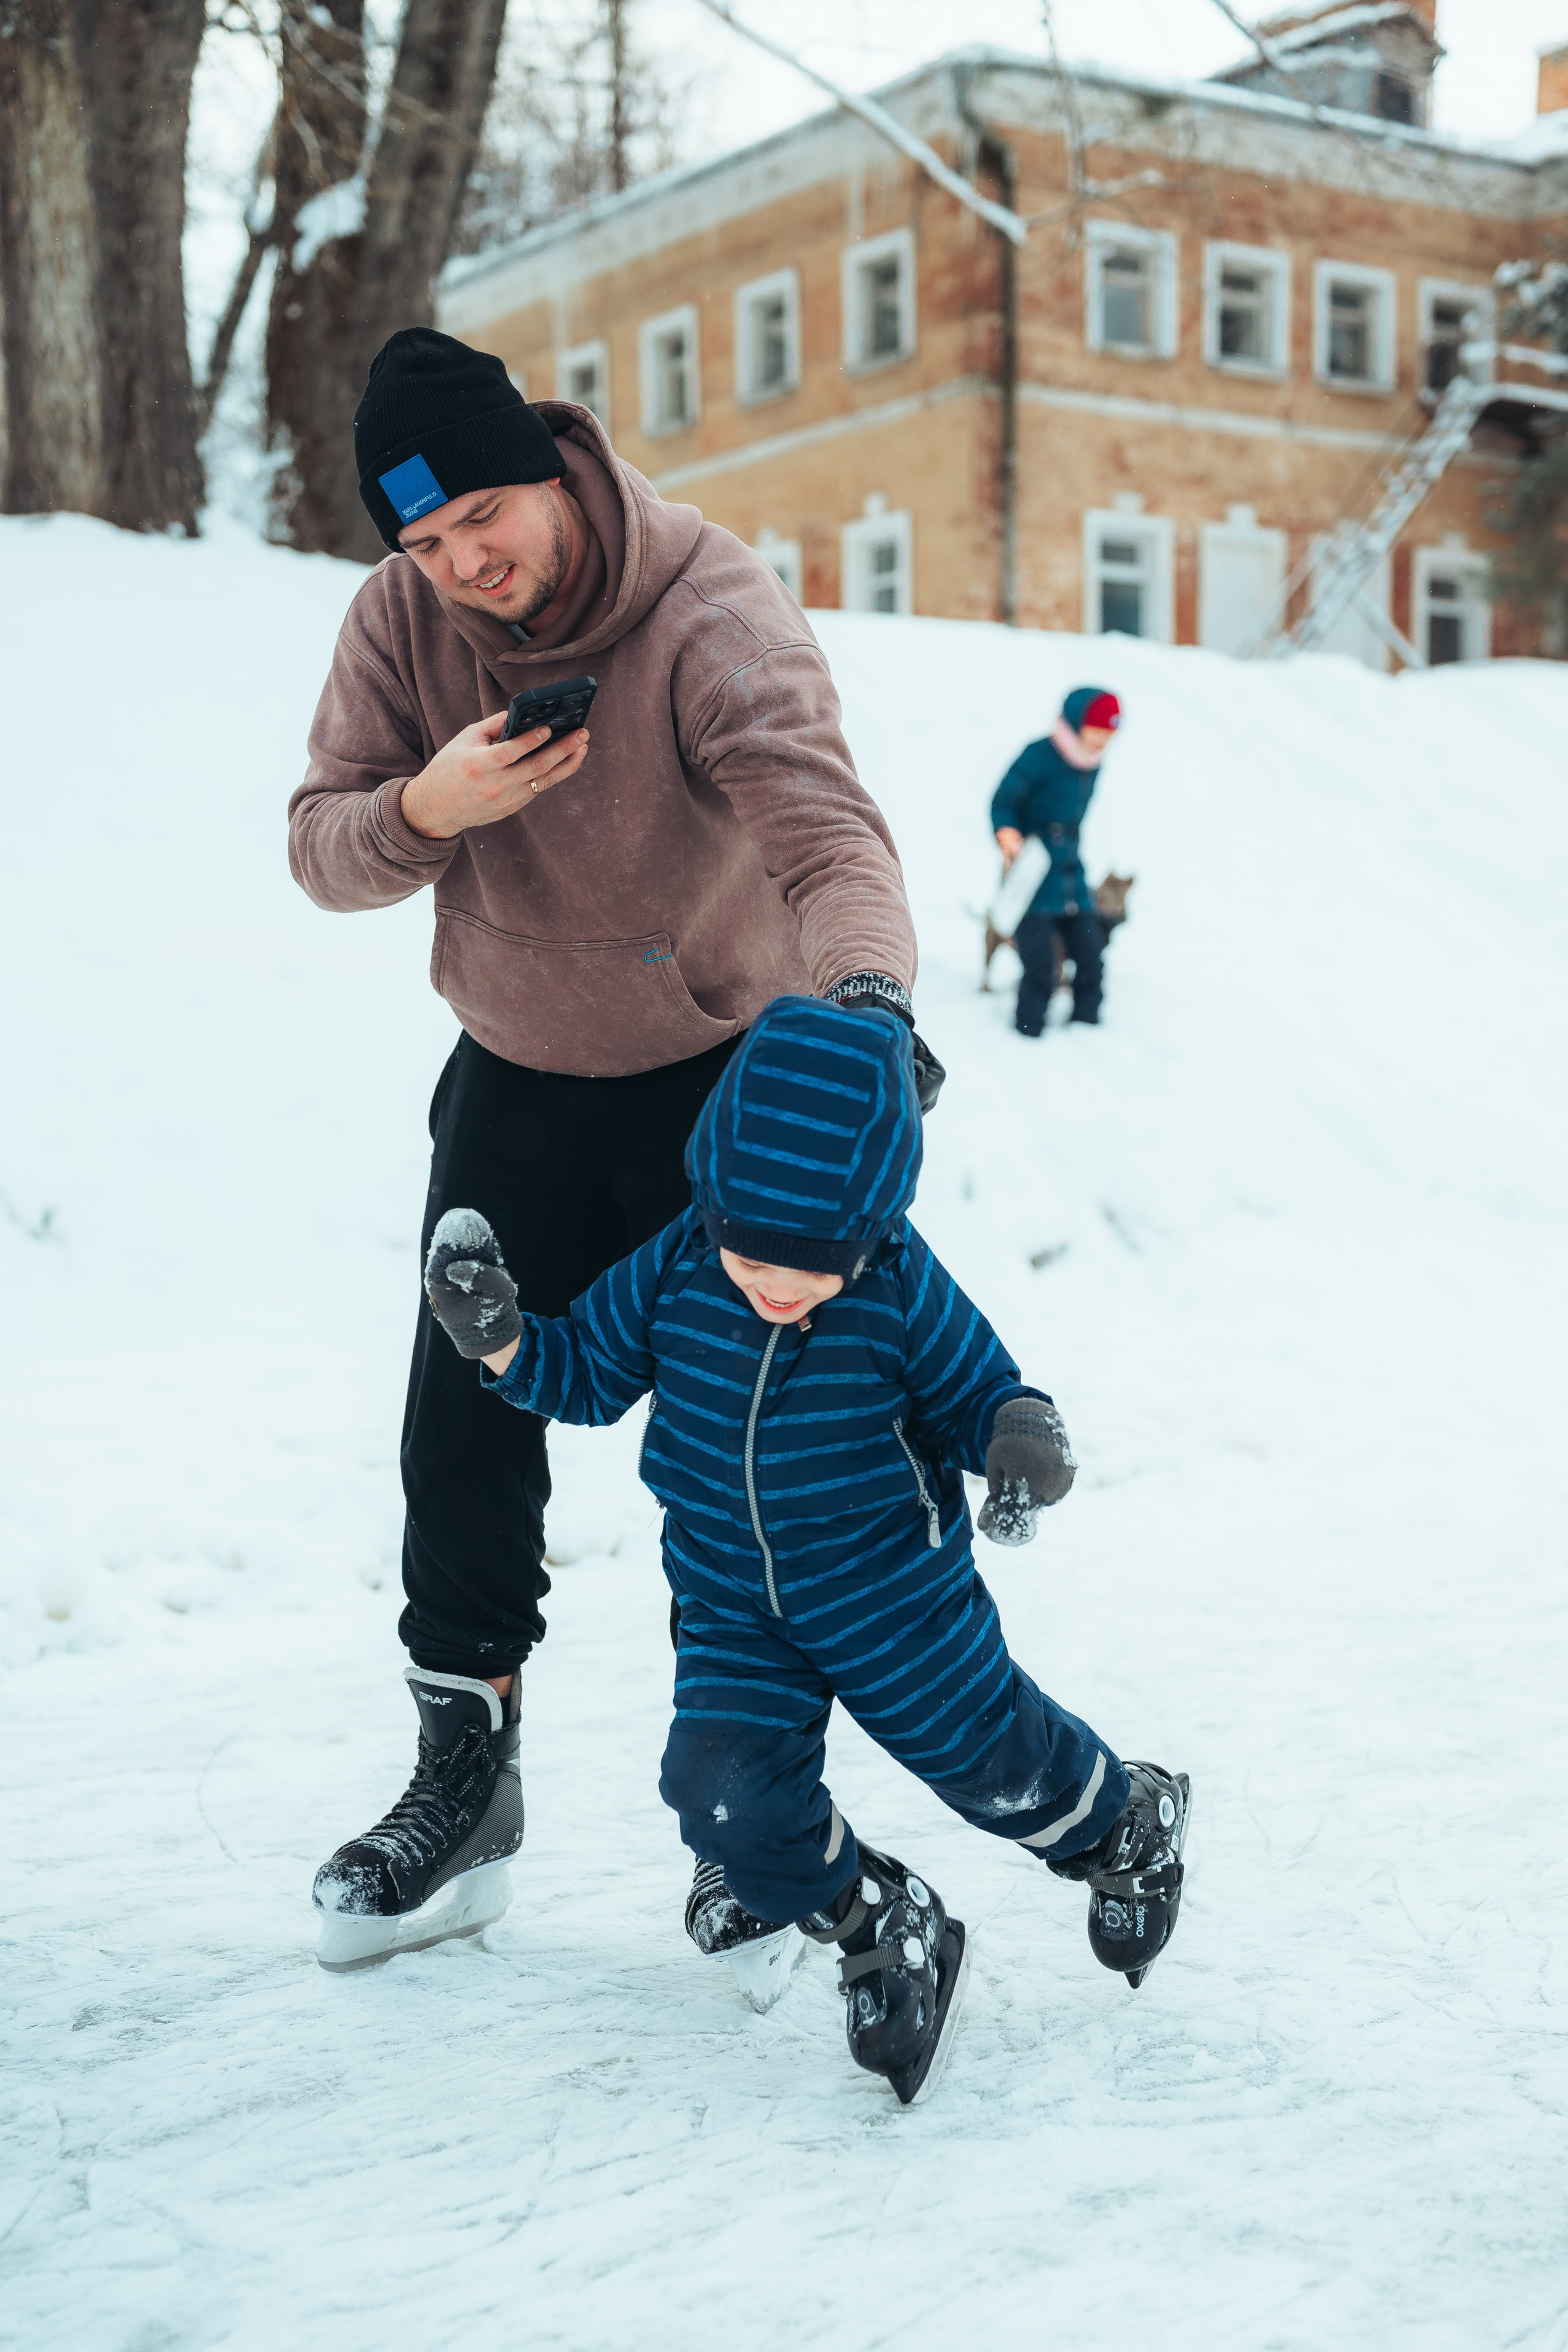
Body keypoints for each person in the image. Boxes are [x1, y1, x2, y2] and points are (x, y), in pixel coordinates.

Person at [290, 326, 941, 1973]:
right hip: (515, 1076)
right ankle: (467, 1791)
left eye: (481, 519)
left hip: (723, 1082)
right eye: (423, 540)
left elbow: (829, 844)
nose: (461, 563)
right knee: (462, 1435)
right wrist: (427, 812)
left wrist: (868, 1011)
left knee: (741, 1468)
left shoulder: (710, 610)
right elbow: (321, 846)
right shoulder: (399, 624)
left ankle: (752, 1817)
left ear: (549, 469)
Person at [404, 996, 1191, 2107]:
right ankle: (880, 1924)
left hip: (892, 1597)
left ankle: (1124, 1826)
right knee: (722, 1795)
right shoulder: (681, 1259)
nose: (775, 1285)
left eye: (814, 1266)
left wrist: (1020, 1441)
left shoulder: (900, 1286)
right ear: (712, 1198)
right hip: (731, 1599)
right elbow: (584, 1371)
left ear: (871, 1223)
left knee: (989, 1763)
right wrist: (503, 1341)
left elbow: (986, 1395)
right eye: (750, 1254)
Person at [991, 686, 1122, 1037]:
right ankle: (1027, 1031)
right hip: (1031, 878)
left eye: (1108, 736)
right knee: (1041, 967)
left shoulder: (1091, 764)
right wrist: (1008, 835)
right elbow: (1003, 802)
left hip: (1070, 876)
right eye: (1095, 733)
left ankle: (1087, 1026)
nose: (1101, 743)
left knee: (1091, 955)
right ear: (1077, 724)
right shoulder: (1039, 756)